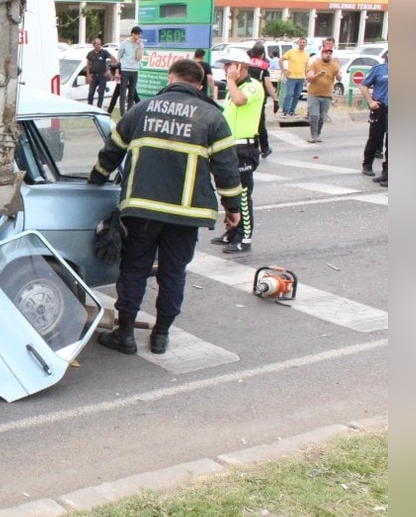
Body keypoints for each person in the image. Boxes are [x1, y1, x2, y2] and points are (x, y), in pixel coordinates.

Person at [88, 59, 242, 355]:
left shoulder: (140, 110)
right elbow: (226, 168)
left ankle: (126, 335)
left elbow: (111, 151)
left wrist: (96, 179)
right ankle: (160, 337)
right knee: (173, 273)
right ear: (199, 84)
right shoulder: (212, 117)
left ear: (170, 78)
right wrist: (232, 207)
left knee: (134, 269)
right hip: (186, 215)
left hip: (142, 210)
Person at [210, 48, 264, 254]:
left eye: (229, 65)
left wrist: (231, 81)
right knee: (228, 192)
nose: (225, 70)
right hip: (230, 146)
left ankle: (245, 237)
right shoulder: (234, 89)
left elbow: (241, 100)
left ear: (240, 66)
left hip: (245, 148)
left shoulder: (252, 86)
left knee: (242, 194)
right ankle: (231, 230)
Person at [359, 53, 388, 185]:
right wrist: (370, 101)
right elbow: (363, 85)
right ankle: (367, 164)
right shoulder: (379, 69)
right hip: (379, 107)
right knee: (375, 137)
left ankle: (387, 173)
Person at [304, 46, 341, 143]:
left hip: (327, 95)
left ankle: (317, 134)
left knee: (322, 117)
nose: (328, 55)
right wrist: (318, 75)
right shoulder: (315, 64)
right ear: (322, 54)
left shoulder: (334, 65)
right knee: (314, 115)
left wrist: (337, 74)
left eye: (330, 53)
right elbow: (309, 77)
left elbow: (339, 79)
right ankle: (313, 136)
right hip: (314, 94)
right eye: (326, 53)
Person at [247, 43, 278, 157]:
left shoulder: (246, 63)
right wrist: (275, 100)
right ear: (262, 54)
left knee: (248, 122)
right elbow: (268, 85)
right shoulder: (263, 66)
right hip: (258, 97)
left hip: (246, 95)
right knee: (260, 123)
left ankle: (252, 146)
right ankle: (264, 148)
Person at [279, 38, 310, 117]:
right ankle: (285, 111)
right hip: (291, 77)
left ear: (306, 44)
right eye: (300, 42)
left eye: (303, 42)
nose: (302, 43)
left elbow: (306, 67)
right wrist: (284, 70)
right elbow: (281, 60)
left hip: (301, 78)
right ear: (297, 43)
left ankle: (292, 110)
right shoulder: (291, 52)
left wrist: (307, 77)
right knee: (289, 94)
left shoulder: (306, 54)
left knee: (297, 95)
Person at [117, 26, 143, 115]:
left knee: (132, 93)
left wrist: (139, 46)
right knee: (123, 92)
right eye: (138, 34)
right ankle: (122, 113)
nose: (139, 36)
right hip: (125, 69)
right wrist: (118, 70)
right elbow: (119, 56)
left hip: (135, 69)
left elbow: (138, 58)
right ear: (133, 34)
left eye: (140, 35)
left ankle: (129, 113)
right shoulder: (124, 43)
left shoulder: (140, 44)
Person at [84, 38, 115, 108]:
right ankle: (89, 107)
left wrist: (109, 69)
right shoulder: (90, 54)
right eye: (97, 44)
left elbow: (113, 58)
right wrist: (88, 75)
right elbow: (88, 64)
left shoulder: (104, 52)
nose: (99, 46)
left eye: (100, 44)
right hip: (94, 76)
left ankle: (99, 107)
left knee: (101, 93)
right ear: (94, 45)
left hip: (102, 76)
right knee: (91, 93)